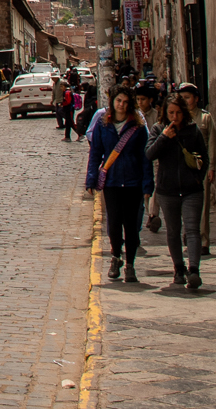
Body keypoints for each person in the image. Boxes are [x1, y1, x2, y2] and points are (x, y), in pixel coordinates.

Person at [85, 88, 154, 284]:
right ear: (112, 101)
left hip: (133, 182)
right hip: (112, 182)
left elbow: (145, 157)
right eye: (118, 100)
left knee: (131, 225)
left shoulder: (138, 127)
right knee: (113, 223)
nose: (121, 105)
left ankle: (130, 264)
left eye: (125, 101)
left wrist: (148, 184)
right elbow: (96, 153)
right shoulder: (103, 124)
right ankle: (116, 257)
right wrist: (91, 180)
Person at [147, 94, 207, 290]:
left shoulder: (193, 131)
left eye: (178, 113)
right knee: (173, 231)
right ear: (165, 112)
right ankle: (179, 269)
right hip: (168, 190)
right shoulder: (158, 130)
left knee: (192, 229)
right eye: (171, 113)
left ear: (184, 113)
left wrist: (198, 178)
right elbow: (149, 154)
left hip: (192, 190)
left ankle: (194, 270)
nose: (175, 117)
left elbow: (204, 158)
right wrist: (164, 138)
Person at [178, 82, 216, 255]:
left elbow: (213, 145)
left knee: (203, 204)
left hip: (201, 166)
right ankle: (188, 237)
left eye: (187, 97)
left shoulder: (205, 118)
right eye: (182, 98)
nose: (185, 101)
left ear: (196, 99)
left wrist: (211, 167)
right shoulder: (179, 118)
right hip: (183, 168)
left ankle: (203, 240)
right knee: (185, 204)